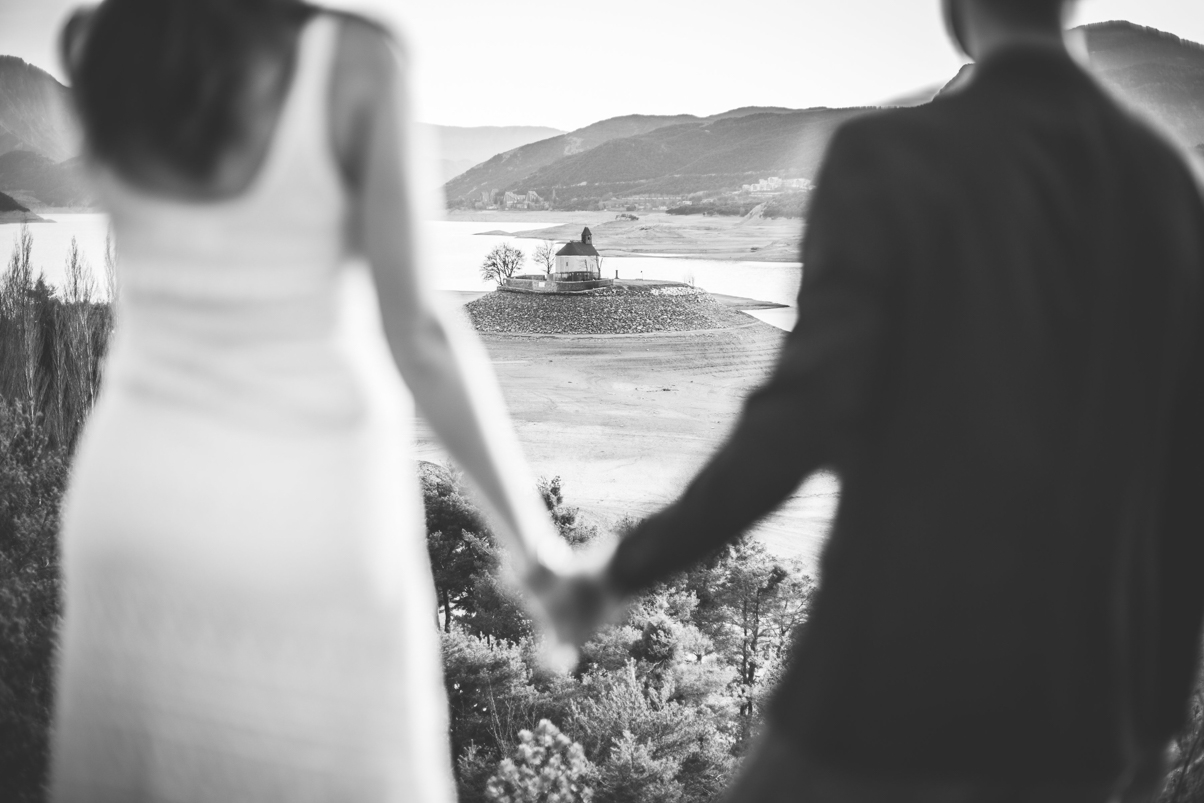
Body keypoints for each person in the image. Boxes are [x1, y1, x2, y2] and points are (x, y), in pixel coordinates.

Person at [538, 0, 1204, 800]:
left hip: (885, 685)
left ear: (958, 10)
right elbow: (1184, 481)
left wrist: (622, 569)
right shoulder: (1165, 183)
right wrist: (1153, 727)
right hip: (1084, 718)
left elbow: (798, 420)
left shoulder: (887, 158)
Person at [50, 1, 566, 800]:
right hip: (309, 517)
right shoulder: (355, 62)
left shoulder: (101, 43)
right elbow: (419, 335)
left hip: (131, 509)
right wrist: (535, 546)